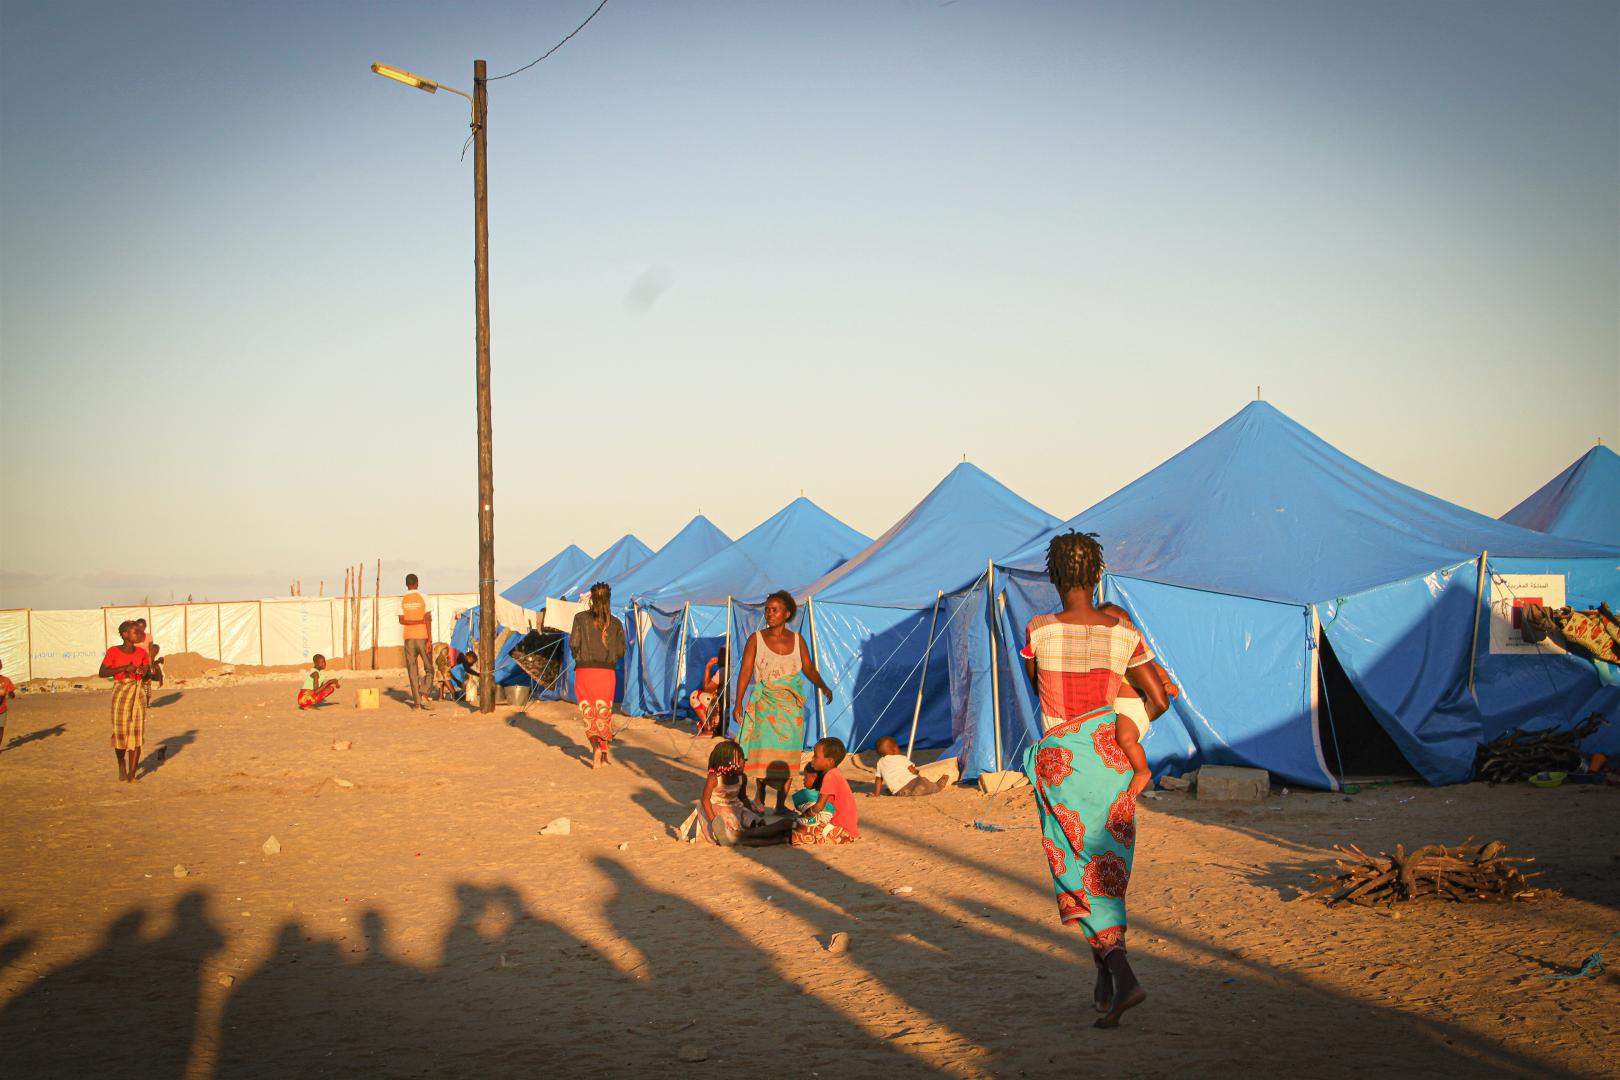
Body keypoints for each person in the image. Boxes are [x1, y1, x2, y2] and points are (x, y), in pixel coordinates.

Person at [1021, 531, 1169, 1029]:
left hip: (1061, 763)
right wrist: (1126, 728)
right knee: (1104, 868)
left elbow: (1036, 693)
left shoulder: (1038, 629)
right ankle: (1106, 983)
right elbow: (1159, 697)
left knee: (1075, 872)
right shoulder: (1124, 634)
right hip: (1110, 764)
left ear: (1054, 577)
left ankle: (1122, 974)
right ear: (1098, 574)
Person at [733, 590, 833, 811]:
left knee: (787, 756)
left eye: (774, 610)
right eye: (767, 609)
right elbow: (746, 671)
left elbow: (807, 668)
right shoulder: (756, 639)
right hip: (764, 705)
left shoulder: (797, 640)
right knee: (762, 752)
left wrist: (823, 686)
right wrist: (738, 701)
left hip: (790, 709)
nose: (769, 613)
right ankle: (759, 798)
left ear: (786, 614)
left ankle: (780, 804)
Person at [1098, 602, 1178, 742]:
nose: (1123, 630)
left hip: (1132, 708)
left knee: (1126, 739)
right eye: (1114, 625)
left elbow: (1155, 668)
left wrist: (1166, 683)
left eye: (1127, 624)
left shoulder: (1134, 652)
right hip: (1114, 710)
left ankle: (1141, 765)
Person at [570, 582, 626, 768]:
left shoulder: (580, 618)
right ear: (609, 599)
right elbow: (621, 651)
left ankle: (595, 747)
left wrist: (580, 659)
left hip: (585, 671)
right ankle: (603, 754)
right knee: (604, 713)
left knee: (589, 714)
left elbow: (574, 644)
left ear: (591, 598)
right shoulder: (616, 623)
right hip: (606, 672)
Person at [698, 739, 791, 847]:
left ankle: (780, 830)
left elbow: (743, 798)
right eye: (741, 759)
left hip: (736, 809)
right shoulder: (714, 777)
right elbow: (705, 800)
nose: (744, 761)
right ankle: (779, 836)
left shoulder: (742, 777)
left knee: (757, 825)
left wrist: (752, 814)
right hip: (717, 813)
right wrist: (715, 823)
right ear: (729, 762)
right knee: (740, 837)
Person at [99, 620, 153, 783]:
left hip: (138, 693)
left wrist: (145, 672)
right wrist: (123, 669)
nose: (139, 634)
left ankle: (132, 775)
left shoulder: (141, 653)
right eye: (135, 632)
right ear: (125, 635)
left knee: (137, 733)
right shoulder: (114, 651)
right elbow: (102, 672)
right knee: (121, 733)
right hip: (121, 694)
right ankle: (121, 762)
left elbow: (149, 675)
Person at [791, 737, 859, 846]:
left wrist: (805, 816)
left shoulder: (830, 777)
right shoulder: (835, 774)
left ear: (829, 761)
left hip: (840, 832)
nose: (812, 759)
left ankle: (754, 837)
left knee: (789, 831)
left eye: (816, 756)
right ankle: (754, 835)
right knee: (788, 826)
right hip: (842, 829)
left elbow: (819, 806)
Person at [398, 573, 434, 710]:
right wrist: (430, 639)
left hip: (408, 639)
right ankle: (424, 692)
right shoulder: (424, 598)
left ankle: (417, 703)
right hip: (422, 637)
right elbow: (428, 619)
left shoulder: (402, 600)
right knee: (429, 668)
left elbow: (401, 620)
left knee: (412, 671)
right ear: (417, 583)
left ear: (406, 584)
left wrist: (413, 621)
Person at [871, 735, 950, 797]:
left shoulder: (880, 762)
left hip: (899, 792)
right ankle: (937, 786)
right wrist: (917, 772)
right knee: (923, 781)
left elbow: (878, 780)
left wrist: (876, 794)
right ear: (894, 749)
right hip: (913, 784)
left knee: (899, 787)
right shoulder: (901, 758)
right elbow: (912, 771)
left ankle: (897, 791)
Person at [688, 646, 727, 736]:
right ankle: (708, 724)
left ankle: (708, 727)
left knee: (695, 695)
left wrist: (708, 666)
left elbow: (707, 688)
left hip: (720, 704)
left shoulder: (723, 671)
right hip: (724, 704)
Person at [0, 658, 15, 749]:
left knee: (0, 729)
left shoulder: (5, 680)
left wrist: (10, 693)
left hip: (2, 710)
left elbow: (12, 694)